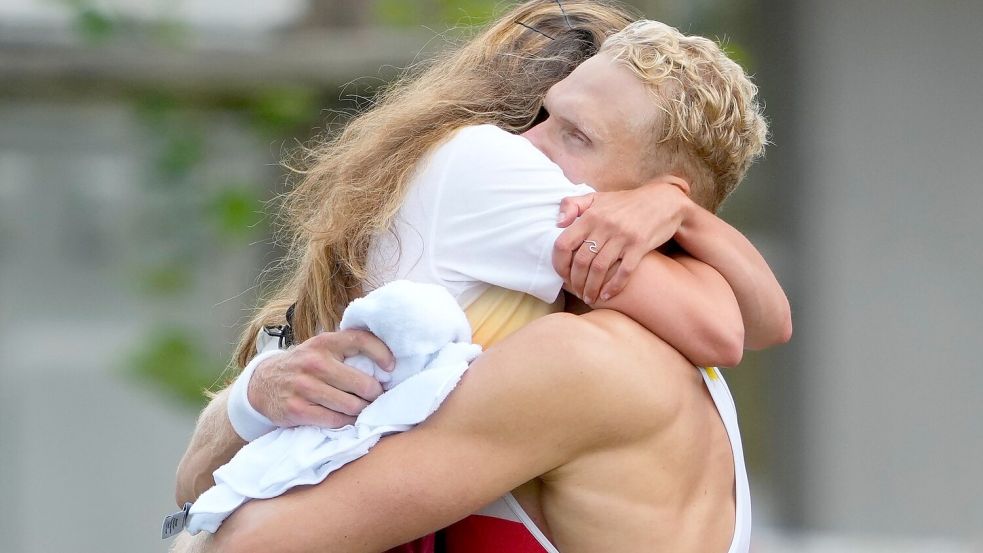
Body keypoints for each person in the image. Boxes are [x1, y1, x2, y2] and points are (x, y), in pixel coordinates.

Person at [172, 4, 788, 552]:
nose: (520, 145)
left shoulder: (581, 361)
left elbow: (244, 541)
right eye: (541, 116)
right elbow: (196, 483)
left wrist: (677, 209)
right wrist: (258, 393)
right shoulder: (652, 367)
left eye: (575, 137)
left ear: (642, 205)